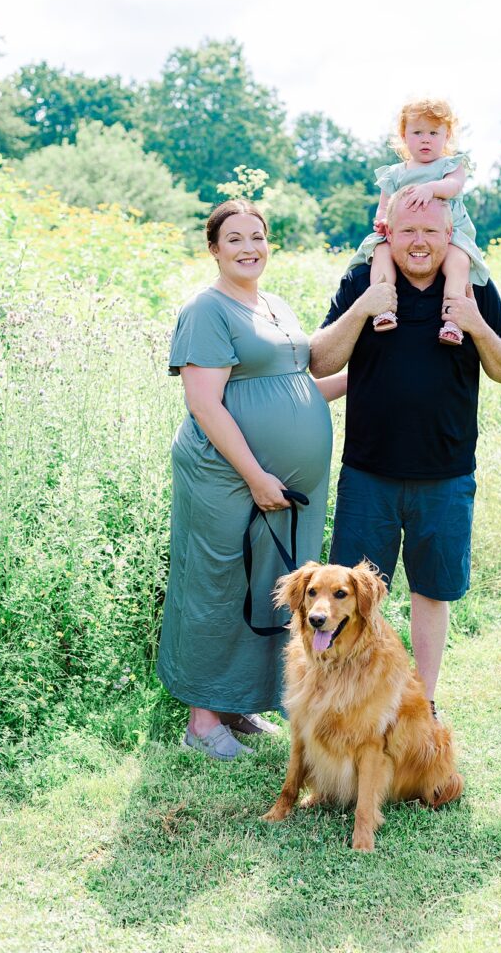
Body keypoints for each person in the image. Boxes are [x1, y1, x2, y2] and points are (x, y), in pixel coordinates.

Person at [310, 192, 501, 715]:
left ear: (450, 235)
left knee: (432, 593)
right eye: (408, 231)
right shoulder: (364, 280)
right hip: (368, 475)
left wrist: (475, 323)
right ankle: (349, 707)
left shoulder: (472, 285)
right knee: (352, 599)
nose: (420, 241)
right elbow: (320, 360)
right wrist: (363, 309)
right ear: (389, 234)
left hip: (446, 476)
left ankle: (420, 706)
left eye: (432, 230)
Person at [157, 199, 346, 760]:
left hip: (281, 490)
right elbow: (205, 404)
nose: (249, 247)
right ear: (214, 249)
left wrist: (368, 376)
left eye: (258, 236)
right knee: (217, 585)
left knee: (268, 588)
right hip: (228, 478)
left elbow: (297, 387)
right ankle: (201, 718)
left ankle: (239, 703)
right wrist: (258, 476)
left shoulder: (275, 306)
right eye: (234, 238)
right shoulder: (206, 310)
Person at [349, 97, 489, 345]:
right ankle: (384, 306)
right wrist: (382, 221)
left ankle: (453, 321)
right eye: (418, 132)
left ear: (447, 137)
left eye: (434, 132)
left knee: (458, 262)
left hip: (449, 232)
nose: (426, 139)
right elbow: (383, 207)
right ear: (404, 136)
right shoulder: (394, 174)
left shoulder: (450, 165)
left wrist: (430, 189)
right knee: (380, 252)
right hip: (401, 234)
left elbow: (453, 186)